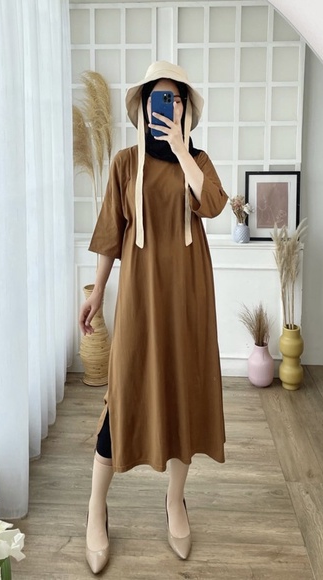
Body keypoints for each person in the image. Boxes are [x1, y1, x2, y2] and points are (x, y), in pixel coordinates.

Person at [78, 61, 228, 575]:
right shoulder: (125, 163)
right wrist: (98, 292)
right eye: (159, 98)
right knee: (123, 393)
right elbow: (111, 232)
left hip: (188, 294)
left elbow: (213, 205)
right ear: (144, 108)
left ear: (185, 108)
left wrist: (183, 152)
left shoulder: (198, 161)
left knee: (185, 391)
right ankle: (96, 508)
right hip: (141, 295)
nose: (168, 106)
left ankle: (175, 500)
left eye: (176, 99)